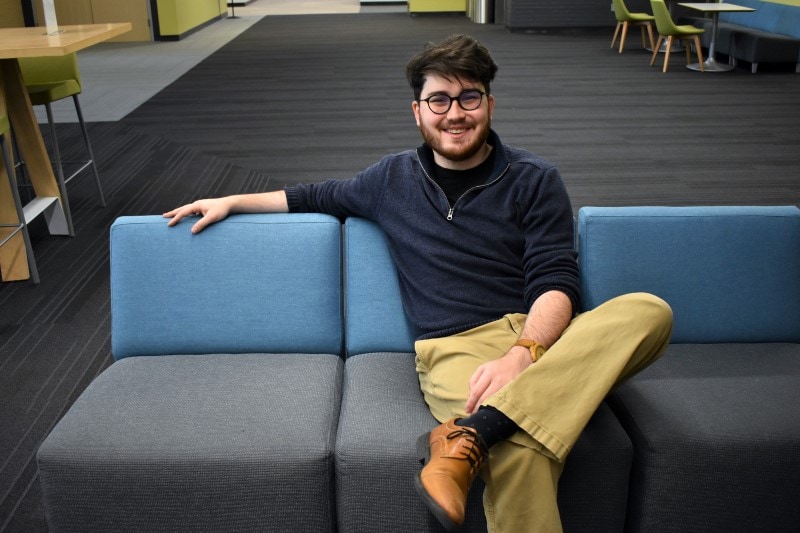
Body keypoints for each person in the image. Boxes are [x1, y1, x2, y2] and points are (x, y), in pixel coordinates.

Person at [164, 34, 673, 532]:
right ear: (417, 111)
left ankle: (470, 435)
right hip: (456, 348)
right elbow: (314, 195)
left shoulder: (534, 178)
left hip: (544, 339)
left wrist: (523, 353)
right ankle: (493, 430)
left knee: (649, 310)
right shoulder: (390, 179)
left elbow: (555, 278)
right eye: (439, 99)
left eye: (468, 97)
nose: (455, 113)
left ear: (489, 104)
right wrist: (231, 201)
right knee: (521, 455)